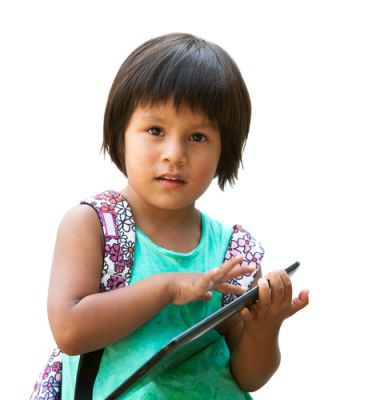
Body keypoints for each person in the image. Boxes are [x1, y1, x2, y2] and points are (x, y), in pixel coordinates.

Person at [46, 33, 309, 399]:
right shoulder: (95, 226)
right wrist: (168, 288)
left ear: (225, 150)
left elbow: (248, 376)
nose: (175, 154)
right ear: (120, 133)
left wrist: (265, 329)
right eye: (155, 130)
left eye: (198, 137)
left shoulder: (232, 251)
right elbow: (70, 331)